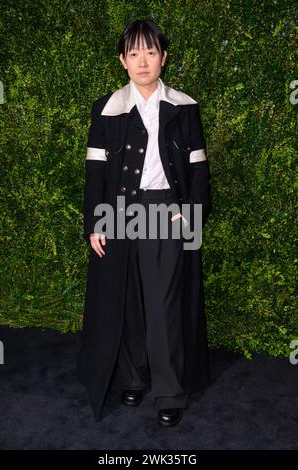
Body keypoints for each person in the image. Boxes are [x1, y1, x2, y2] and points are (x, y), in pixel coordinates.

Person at [76, 19, 212, 427]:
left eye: (150, 51)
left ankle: (169, 390)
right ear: (122, 60)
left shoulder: (185, 107)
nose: (142, 61)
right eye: (133, 52)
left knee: (163, 304)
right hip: (118, 214)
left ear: (163, 57)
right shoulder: (107, 108)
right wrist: (95, 223)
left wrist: (190, 213)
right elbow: (95, 173)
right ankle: (134, 377)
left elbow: (199, 171)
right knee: (128, 301)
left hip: (165, 214)